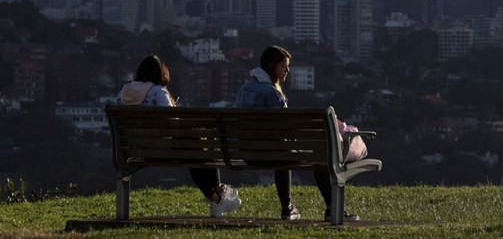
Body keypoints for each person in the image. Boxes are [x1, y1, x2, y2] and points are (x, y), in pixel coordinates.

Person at [235, 45, 367, 222]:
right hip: (273, 154)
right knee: (318, 157)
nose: (287, 70)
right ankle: (331, 209)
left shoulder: (244, 89)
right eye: (283, 66)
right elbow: (287, 127)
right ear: (270, 66)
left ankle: (288, 208)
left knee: (282, 154)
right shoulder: (271, 93)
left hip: (247, 153)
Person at [117, 55, 242, 218]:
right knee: (201, 147)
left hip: (134, 149)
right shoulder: (157, 92)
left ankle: (217, 198)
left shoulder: (124, 92)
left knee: (197, 148)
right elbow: (172, 123)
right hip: (165, 149)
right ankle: (217, 196)